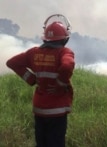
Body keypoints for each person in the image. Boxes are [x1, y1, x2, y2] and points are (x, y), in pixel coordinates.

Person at [6, 14, 75, 147]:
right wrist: (60, 84)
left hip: (39, 109)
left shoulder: (33, 53)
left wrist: (31, 79)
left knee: (41, 143)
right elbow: (67, 65)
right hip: (57, 110)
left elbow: (12, 62)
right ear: (65, 39)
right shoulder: (64, 52)